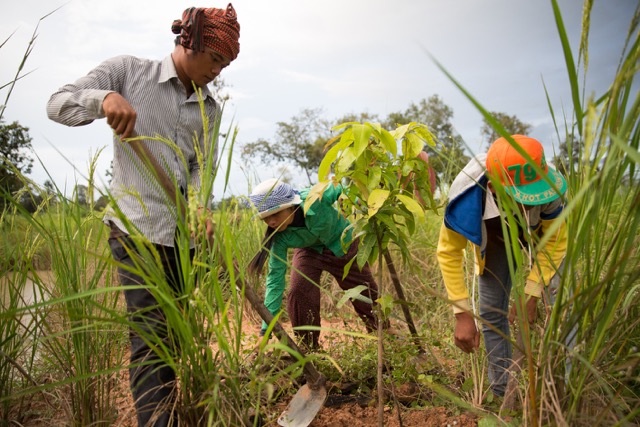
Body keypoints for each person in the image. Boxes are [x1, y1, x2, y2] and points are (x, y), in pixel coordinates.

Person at [46, 5, 240, 426]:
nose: (218, 71)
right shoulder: (128, 72)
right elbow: (56, 104)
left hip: (183, 241)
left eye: (225, 64)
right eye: (216, 59)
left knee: (175, 337)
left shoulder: (211, 109)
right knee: (150, 338)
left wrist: (199, 205)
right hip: (134, 230)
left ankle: (182, 414)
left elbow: (200, 166)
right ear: (192, 42)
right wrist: (104, 101)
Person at [436, 135, 567, 397]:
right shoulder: (466, 197)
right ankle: (503, 393)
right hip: (494, 228)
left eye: (532, 195)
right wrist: (462, 314)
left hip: (539, 228)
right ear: (494, 187)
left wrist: (530, 295)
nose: (529, 201)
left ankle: (564, 386)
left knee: (563, 298)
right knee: (491, 311)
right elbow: (449, 253)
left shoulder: (548, 189)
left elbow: (554, 243)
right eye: (521, 197)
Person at [247, 178, 383, 350]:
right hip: (309, 251)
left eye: (275, 214)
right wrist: (265, 331)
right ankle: (309, 347)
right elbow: (275, 281)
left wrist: (364, 205)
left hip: (341, 242)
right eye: (266, 218)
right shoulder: (278, 238)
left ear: (290, 206)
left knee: (364, 290)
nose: (271, 222)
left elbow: (340, 187)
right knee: (298, 290)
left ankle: (381, 334)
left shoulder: (314, 197)